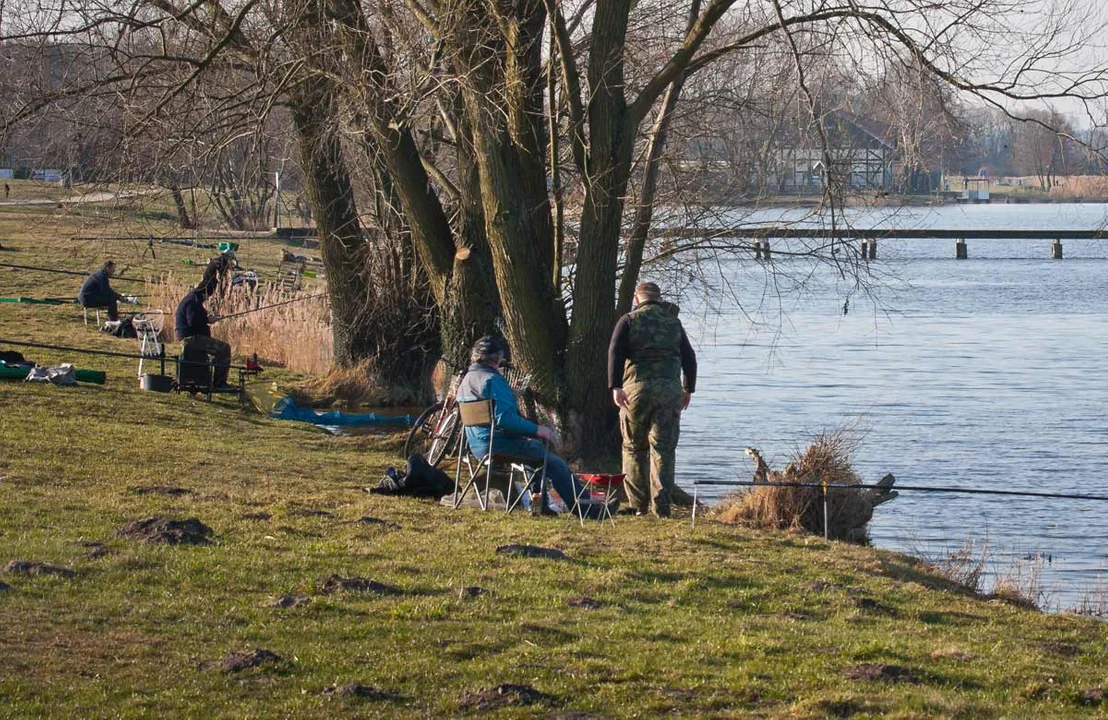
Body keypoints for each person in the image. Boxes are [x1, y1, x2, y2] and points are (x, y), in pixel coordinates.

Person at [456, 335, 594, 514]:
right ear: (498, 358)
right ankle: (587, 510)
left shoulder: (466, 380)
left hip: (476, 447)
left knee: (534, 451)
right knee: (554, 462)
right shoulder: (492, 380)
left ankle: (540, 506)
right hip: (497, 445)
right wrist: (537, 429)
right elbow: (505, 420)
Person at [608, 281, 697, 517]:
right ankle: (662, 506)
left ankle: (638, 505)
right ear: (658, 299)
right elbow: (689, 356)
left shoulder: (628, 320)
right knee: (664, 449)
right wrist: (688, 389)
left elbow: (615, 352)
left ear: (637, 298)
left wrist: (615, 386)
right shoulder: (673, 322)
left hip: (636, 389)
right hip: (669, 390)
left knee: (634, 446)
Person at [174, 279, 232, 388]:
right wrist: (208, 320)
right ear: (205, 292)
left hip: (191, 337)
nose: (208, 299)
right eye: (208, 296)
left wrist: (208, 318)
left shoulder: (192, 298)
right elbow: (193, 321)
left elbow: (196, 318)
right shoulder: (193, 301)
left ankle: (212, 379)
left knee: (220, 349)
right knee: (224, 348)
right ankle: (219, 383)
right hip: (190, 339)